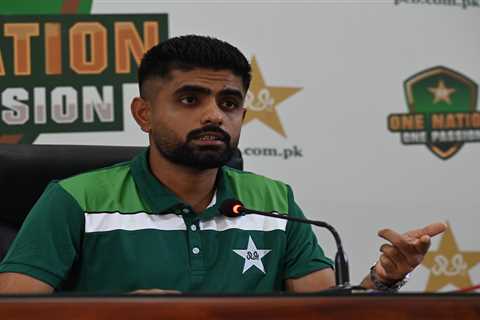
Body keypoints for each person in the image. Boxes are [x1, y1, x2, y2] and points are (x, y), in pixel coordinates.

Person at [0, 35, 446, 294]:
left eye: (229, 102)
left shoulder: (272, 200)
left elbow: (323, 311)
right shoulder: (75, 200)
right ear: (144, 114)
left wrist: (383, 279)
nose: (214, 114)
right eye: (190, 99)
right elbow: (14, 309)